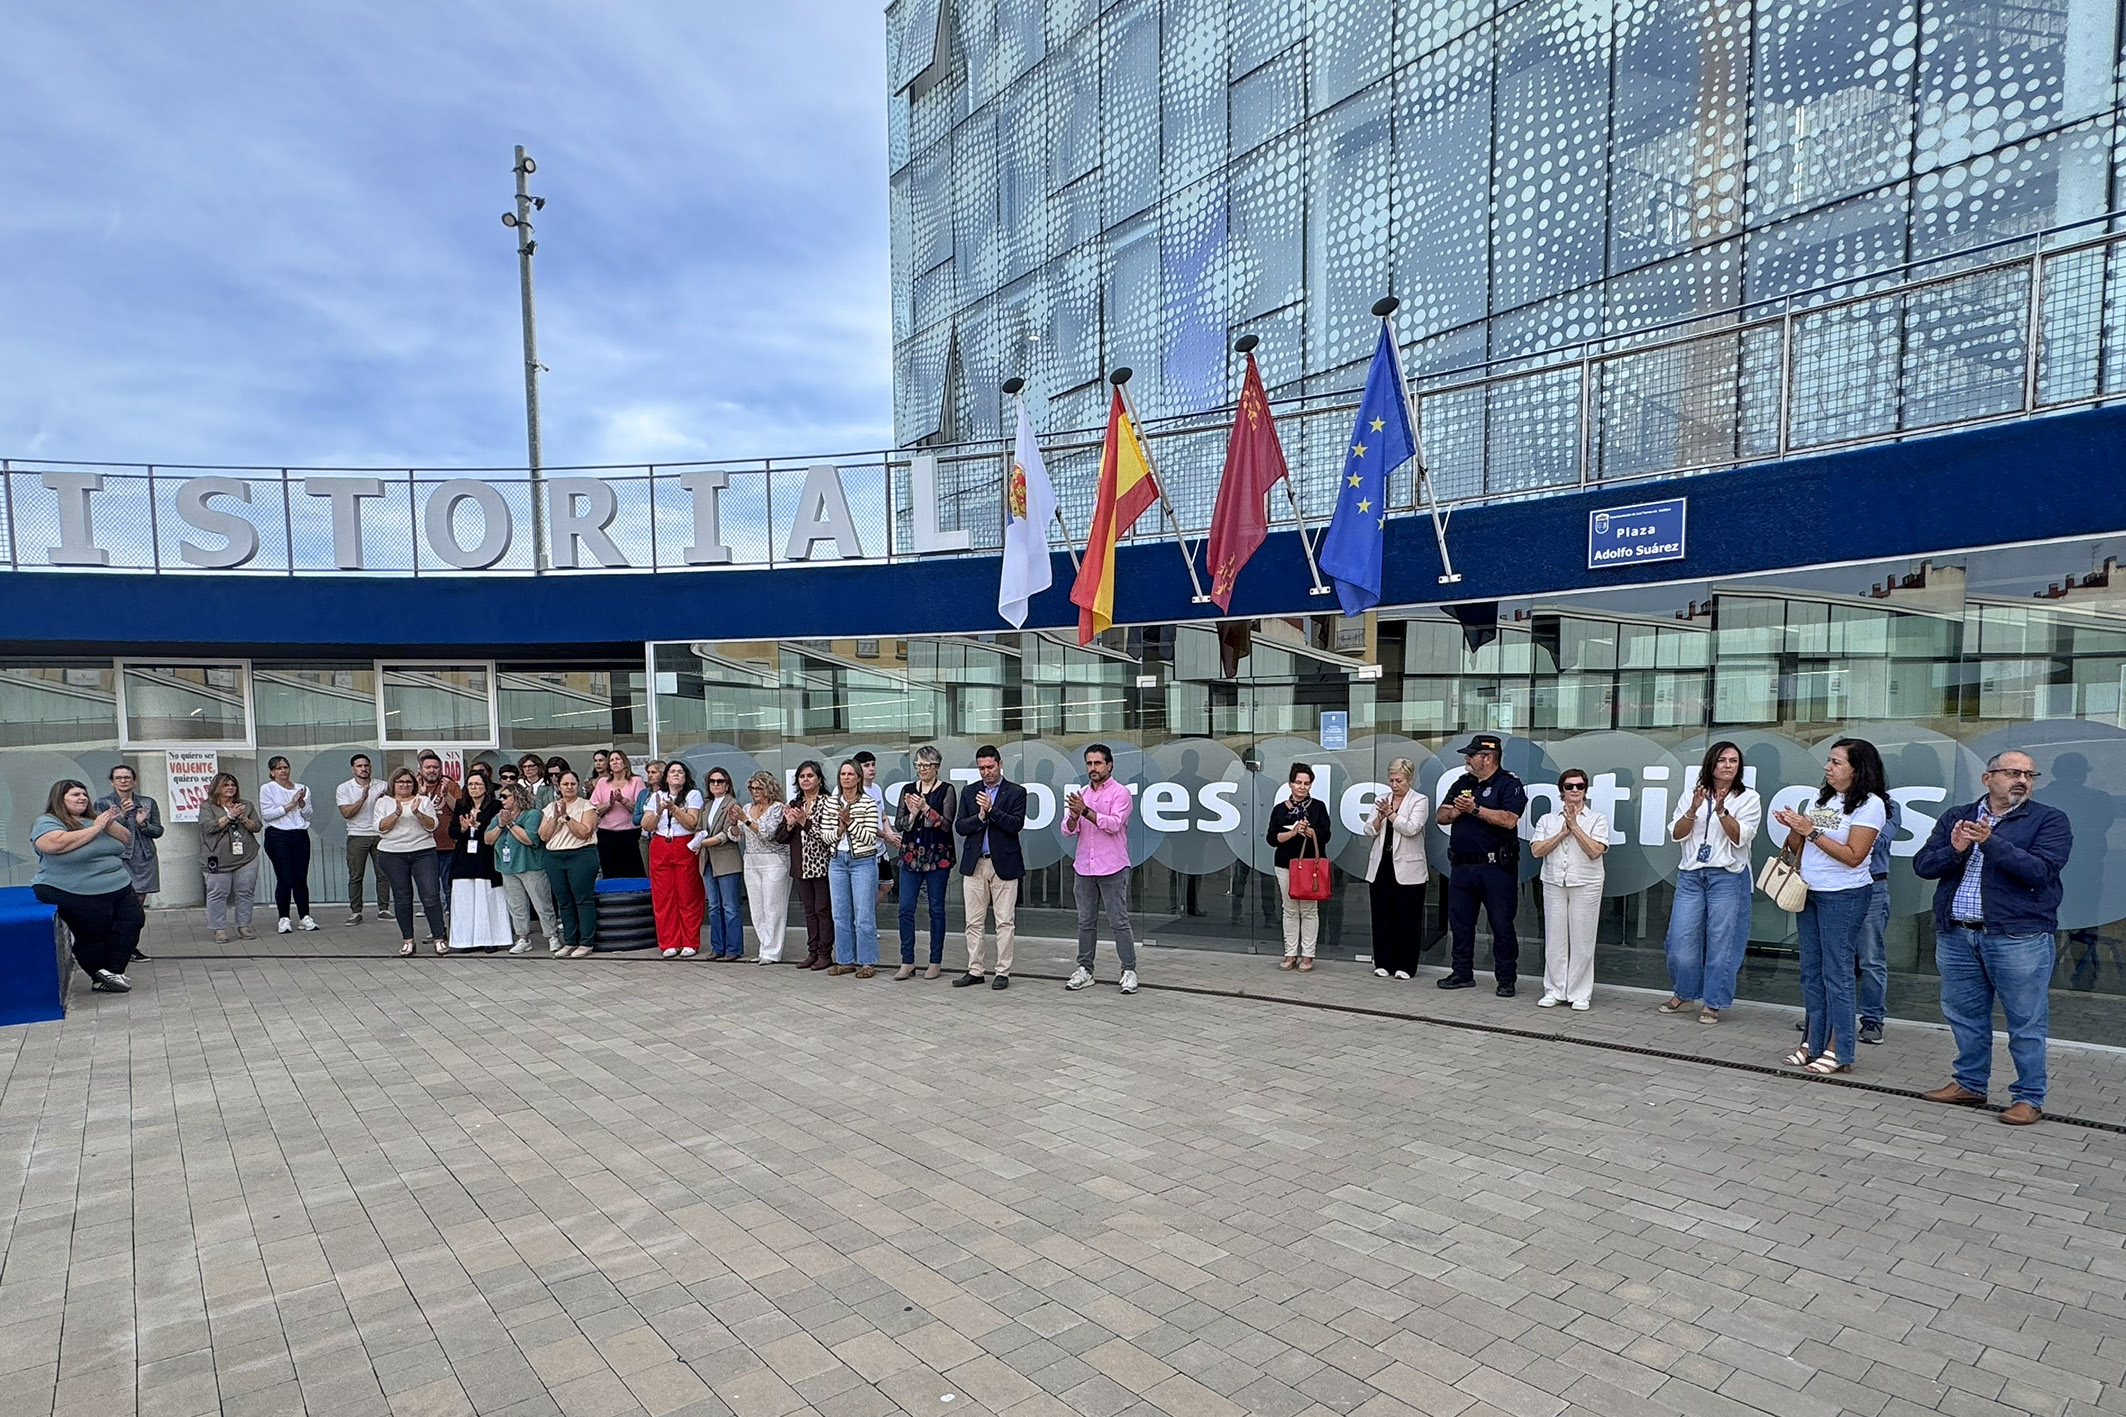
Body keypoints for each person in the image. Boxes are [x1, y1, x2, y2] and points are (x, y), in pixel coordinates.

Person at [1913, 749, 2072, 1125]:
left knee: (2025, 1020)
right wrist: (1955, 848)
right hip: (1958, 935)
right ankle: (1969, 1083)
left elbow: (2040, 871)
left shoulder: (2048, 820)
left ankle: (2029, 1097)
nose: (2022, 780)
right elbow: (1923, 866)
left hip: (2018, 936)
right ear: (1988, 779)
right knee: (1965, 1016)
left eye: (2030, 775)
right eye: (2013, 773)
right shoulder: (1957, 817)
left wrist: (1990, 842)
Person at [1771, 738, 1888, 1075]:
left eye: (1836, 762)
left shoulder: (1870, 805)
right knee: (1811, 970)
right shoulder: (1820, 799)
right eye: (1829, 760)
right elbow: (1798, 848)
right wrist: (1793, 827)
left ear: (1857, 768)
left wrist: (1811, 832)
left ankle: (1840, 1049)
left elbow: (1854, 857)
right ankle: (1812, 1040)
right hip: (1810, 890)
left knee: (1837, 972)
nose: (1828, 767)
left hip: (1845, 894)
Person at [1660, 741, 1763, 1025]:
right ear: (1711, 764)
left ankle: (1714, 1002)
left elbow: (1741, 837)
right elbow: (1677, 834)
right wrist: (1693, 809)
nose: (1728, 765)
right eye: (1722, 760)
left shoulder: (1748, 798)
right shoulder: (1692, 795)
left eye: (1733, 760)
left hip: (1728, 875)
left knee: (1724, 941)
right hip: (1692, 875)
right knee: (1679, 940)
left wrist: (1721, 811)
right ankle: (1685, 992)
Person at [32, 780, 146, 992]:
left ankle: (113, 972)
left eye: (84, 794)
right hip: (72, 889)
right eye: (75, 794)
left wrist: (109, 824)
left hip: (117, 884)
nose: (82, 798)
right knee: (94, 933)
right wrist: (96, 829)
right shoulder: (48, 821)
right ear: (60, 798)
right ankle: (99, 975)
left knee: (132, 922)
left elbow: (125, 837)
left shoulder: (96, 819)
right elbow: (54, 844)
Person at [1436, 733, 1528, 996]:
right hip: (1462, 866)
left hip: (1495, 867)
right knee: (1461, 922)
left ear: (1487, 758)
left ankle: (1506, 978)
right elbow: (1441, 816)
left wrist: (1475, 809)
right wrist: (1456, 811)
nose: (1467, 758)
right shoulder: (1463, 781)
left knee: (1501, 923)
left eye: (1471, 755)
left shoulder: (1507, 784)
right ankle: (1462, 972)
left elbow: (1510, 819)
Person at [1529, 768, 1609, 1010]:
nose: (1575, 790)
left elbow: (1595, 851)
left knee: (1583, 939)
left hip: (1586, 882)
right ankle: (1554, 989)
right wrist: (1562, 832)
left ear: (1586, 790)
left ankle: (1580, 992)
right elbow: (1536, 850)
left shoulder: (1597, 819)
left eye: (1580, 786)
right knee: (1555, 938)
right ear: (1561, 791)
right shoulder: (1548, 820)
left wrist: (1574, 826)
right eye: (1569, 786)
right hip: (1554, 882)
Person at [1062, 743, 1138, 994]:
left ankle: (1128, 970)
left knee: (1118, 921)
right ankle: (1085, 969)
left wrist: (1084, 810)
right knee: (1085, 921)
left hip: (1113, 866)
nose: (1092, 768)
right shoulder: (1081, 793)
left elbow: (1114, 824)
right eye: (1089, 763)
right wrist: (1074, 816)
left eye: (1097, 763)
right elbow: (1067, 829)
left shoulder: (1120, 793)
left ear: (1109, 765)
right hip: (1084, 866)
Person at [953, 745, 1025, 990]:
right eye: (981, 768)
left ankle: (1002, 971)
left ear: (1000, 764)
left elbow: (1015, 825)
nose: (986, 772)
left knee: (1004, 920)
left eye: (990, 767)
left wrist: (992, 810)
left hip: (1003, 862)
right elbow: (961, 826)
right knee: (973, 921)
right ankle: (975, 969)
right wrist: (981, 816)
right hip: (975, 863)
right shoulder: (970, 791)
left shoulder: (1016, 792)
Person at [1362, 758, 1429, 980]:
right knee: (1382, 916)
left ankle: (1406, 965)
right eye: (1391, 780)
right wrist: (1380, 818)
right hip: (1382, 865)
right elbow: (1368, 831)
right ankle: (1383, 962)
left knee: (1407, 918)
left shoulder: (1420, 800)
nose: (1394, 785)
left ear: (1409, 779)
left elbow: (1411, 828)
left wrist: (1391, 814)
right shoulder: (1382, 800)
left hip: (1408, 868)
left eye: (1398, 780)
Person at [893, 746, 955, 980]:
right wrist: (913, 813)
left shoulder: (947, 790)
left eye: (926, 765)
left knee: (936, 909)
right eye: (918, 765)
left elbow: (947, 824)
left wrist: (926, 808)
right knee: (905, 908)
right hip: (911, 856)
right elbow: (901, 824)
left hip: (937, 857)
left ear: (936, 767)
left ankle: (935, 960)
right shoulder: (908, 790)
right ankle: (907, 960)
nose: (921, 769)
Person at [1265, 763, 1333, 972]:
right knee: (1290, 910)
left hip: (1310, 864)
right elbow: (1271, 838)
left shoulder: (1318, 807)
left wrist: (1310, 831)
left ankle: (1308, 955)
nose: (1302, 787)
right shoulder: (1279, 809)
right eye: (1298, 783)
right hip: (1285, 864)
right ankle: (1290, 953)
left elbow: (1326, 835)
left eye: (1306, 783)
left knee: (1309, 910)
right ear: (1290, 784)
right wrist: (1293, 832)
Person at [375, 768, 448, 955]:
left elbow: (432, 825)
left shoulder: (422, 801)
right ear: (394, 784)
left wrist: (418, 813)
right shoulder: (383, 802)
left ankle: (439, 937)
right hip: (393, 854)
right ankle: (408, 939)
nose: (404, 785)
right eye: (400, 782)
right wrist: (396, 813)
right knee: (402, 897)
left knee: (431, 894)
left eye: (408, 782)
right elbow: (380, 828)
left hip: (423, 851)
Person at [94, 763, 162, 962]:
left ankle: (131, 946)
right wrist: (122, 816)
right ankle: (115, 945)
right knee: (118, 904)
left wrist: (143, 823)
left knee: (137, 905)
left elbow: (158, 831)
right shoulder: (103, 803)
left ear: (134, 780)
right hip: (118, 858)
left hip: (143, 856)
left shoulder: (147, 802)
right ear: (112, 781)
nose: (123, 780)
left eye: (127, 777)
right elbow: (102, 831)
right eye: (119, 778)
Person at [820, 760, 882, 977]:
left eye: (850, 774)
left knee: (864, 914)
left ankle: (867, 961)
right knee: (839, 914)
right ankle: (845, 960)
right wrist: (839, 829)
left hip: (862, 862)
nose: (846, 777)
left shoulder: (868, 802)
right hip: (837, 860)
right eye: (843, 774)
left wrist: (850, 823)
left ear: (858, 777)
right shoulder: (831, 803)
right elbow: (825, 836)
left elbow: (870, 836)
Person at [641, 760, 705, 959]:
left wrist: (675, 809)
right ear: (666, 776)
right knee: (663, 896)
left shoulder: (693, 795)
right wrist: (659, 810)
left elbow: (692, 823)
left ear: (686, 777)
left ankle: (689, 941)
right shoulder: (656, 796)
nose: (676, 775)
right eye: (672, 772)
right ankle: (669, 942)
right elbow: (646, 825)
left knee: (687, 895)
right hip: (661, 844)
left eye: (680, 772)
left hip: (683, 844)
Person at [489, 782, 560, 955]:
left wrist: (510, 824)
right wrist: (500, 825)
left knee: (542, 903)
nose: (502, 800)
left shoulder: (532, 814)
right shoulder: (499, 816)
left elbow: (530, 839)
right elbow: (487, 839)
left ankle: (552, 936)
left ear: (517, 797)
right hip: (508, 867)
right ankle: (523, 938)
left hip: (531, 866)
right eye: (501, 797)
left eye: (506, 796)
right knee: (516, 905)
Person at [1856, 795, 1902, 1046]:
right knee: (1829, 957)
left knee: (1871, 957)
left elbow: (1879, 841)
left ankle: (1873, 1020)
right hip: (1834, 886)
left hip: (1872, 885)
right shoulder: (1833, 802)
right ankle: (1823, 1015)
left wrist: (1843, 831)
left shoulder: (1888, 806)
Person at [446, 771, 510, 952]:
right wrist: (464, 828)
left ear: (486, 786)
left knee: (487, 898)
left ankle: (490, 938)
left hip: (486, 857)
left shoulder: (495, 806)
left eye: (478, 784)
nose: (474, 788)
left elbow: (495, 831)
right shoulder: (461, 805)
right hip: (464, 858)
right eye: (471, 784)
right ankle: (466, 940)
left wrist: (478, 826)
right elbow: (452, 832)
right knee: (465, 899)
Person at [540, 771, 601, 957]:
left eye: (572, 784)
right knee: (564, 900)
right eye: (565, 784)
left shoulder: (586, 805)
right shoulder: (550, 807)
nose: (569, 787)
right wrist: (555, 818)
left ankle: (586, 941)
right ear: (558, 786)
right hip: (555, 856)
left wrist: (566, 817)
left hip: (580, 855)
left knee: (582, 898)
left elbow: (585, 832)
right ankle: (570, 940)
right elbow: (543, 835)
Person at [199, 772, 263, 944]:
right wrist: (229, 816)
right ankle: (218, 929)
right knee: (218, 893)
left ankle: (244, 925)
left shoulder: (246, 805)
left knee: (245, 891)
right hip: (217, 857)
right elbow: (207, 827)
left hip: (246, 855)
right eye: (226, 785)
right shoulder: (207, 807)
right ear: (217, 787)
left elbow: (257, 826)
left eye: (233, 785)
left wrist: (243, 818)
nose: (230, 788)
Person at [258, 756, 319, 934]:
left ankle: (304, 916)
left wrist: (301, 803)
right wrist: (290, 804)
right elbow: (268, 815)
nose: (283, 771)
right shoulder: (268, 788)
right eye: (278, 768)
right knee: (285, 877)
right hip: (277, 834)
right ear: (271, 772)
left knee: (300, 877)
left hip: (299, 833)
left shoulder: (302, 788)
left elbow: (308, 815)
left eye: (285, 767)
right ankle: (284, 917)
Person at [783, 760, 835, 970]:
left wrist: (805, 822)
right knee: (809, 911)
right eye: (802, 776)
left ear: (819, 779)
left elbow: (826, 837)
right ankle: (812, 952)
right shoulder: (795, 804)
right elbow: (781, 837)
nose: (805, 780)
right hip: (801, 865)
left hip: (822, 864)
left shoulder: (828, 802)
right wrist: (789, 823)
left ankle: (825, 953)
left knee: (823, 910)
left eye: (810, 776)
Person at [737, 770, 790, 964]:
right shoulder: (747, 807)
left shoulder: (778, 808)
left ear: (770, 788)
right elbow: (737, 835)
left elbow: (768, 833)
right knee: (757, 909)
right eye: (752, 788)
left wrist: (745, 819)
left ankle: (772, 952)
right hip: (751, 860)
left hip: (774, 860)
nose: (755, 791)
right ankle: (764, 947)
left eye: (759, 787)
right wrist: (734, 823)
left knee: (773, 908)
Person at [693, 767, 745, 960]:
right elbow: (699, 828)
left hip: (726, 860)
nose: (716, 784)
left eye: (720, 781)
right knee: (714, 906)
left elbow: (726, 834)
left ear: (727, 783)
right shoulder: (706, 805)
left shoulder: (732, 803)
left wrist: (703, 842)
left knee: (730, 906)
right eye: (712, 781)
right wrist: (698, 841)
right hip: (706, 860)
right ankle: (717, 947)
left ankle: (733, 948)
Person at [336, 753, 392, 926]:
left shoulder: (382, 786)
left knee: (383, 874)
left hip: (380, 834)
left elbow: (391, 809)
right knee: (356, 875)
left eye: (366, 765)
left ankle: (383, 909)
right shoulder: (344, 788)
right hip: (357, 835)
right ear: (353, 769)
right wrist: (363, 798)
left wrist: (381, 802)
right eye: (359, 766)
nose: (364, 769)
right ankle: (356, 911)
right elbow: (347, 813)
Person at [591, 750, 645, 878]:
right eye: (611, 760)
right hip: (607, 835)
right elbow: (594, 808)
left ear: (625, 762)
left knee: (632, 872)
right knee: (610, 872)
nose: (615, 762)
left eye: (618, 759)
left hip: (630, 834)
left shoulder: (636, 781)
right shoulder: (602, 782)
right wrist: (609, 803)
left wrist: (622, 800)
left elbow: (639, 809)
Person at [854, 750, 897, 905]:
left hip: (880, 848)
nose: (871, 768)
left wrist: (890, 832)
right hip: (864, 849)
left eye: (873, 764)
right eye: (866, 765)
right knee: (866, 888)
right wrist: (886, 836)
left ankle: (865, 916)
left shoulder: (877, 788)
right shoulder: (855, 792)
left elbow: (882, 815)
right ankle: (861, 920)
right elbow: (865, 824)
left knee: (887, 884)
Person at [417, 751, 461, 884]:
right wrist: (420, 795)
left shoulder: (450, 785)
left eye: (435, 767)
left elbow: (459, 811)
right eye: (428, 767)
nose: (431, 770)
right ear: (420, 770)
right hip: (422, 845)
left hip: (447, 845)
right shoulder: (412, 786)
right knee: (429, 887)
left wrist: (446, 794)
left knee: (448, 887)